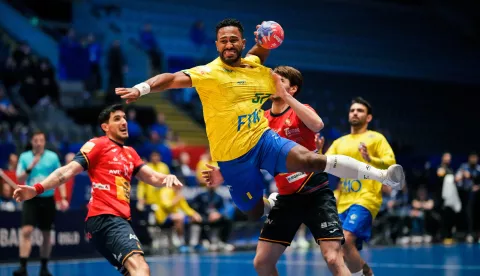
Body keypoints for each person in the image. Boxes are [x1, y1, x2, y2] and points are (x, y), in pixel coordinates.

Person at [115, 18, 404, 221]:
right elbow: (171, 79)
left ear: (242, 42)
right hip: (232, 157)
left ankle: (383, 176)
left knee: (312, 160)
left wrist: (266, 36)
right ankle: (272, 204)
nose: (229, 44)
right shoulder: (208, 73)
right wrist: (143, 88)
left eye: (234, 40)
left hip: (262, 139)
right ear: (216, 45)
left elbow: (261, 51)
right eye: (223, 41)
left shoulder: (255, 67)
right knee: (252, 212)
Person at [203, 66, 350, 275]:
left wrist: (286, 97)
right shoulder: (260, 120)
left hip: (315, 191)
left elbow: (317, 124)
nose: (273, 85)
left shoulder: (301, 109)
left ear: (292, 88)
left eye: (280, 81)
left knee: (333, 258)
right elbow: (247, 154)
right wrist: (223, 172)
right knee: (262, 262)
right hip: (287, 198)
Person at [13, 104, 183, 276]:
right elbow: (67, 171)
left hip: (110, 223)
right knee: (141, 267)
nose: (124, 122)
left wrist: (166, 178)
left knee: (133, 272)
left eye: (124, 118)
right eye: (117, 119)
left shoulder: (131, 153)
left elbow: (152, 177)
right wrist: (37, 189)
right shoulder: (98, 145)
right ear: (105, 127)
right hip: (108, 218)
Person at [316, 97, 397, 276]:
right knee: (342, 247)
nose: (355, 113)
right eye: (352, 110)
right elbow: (325, 165)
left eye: (360, 110)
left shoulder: (376, 138)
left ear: (368, 118)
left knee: (346, 240)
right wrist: (318, 152)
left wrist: (371, 159)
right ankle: (366, 273)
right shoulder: (340, 142)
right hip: (343, 200)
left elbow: (391, 165)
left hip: (366, 198)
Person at [13, 131, 69, 276]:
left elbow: (60, 178)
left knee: (46, 234)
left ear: (44, 142)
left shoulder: (52, 157)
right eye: (36, 140)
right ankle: (23, 267)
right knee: (26, 231)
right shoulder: (25, 157)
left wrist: (63, 198)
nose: (38, 142)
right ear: (32, 141)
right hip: (30, 199)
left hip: (47, 199)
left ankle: (44, 267)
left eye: (41, 140)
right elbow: (19, 178)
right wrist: (31, 166)